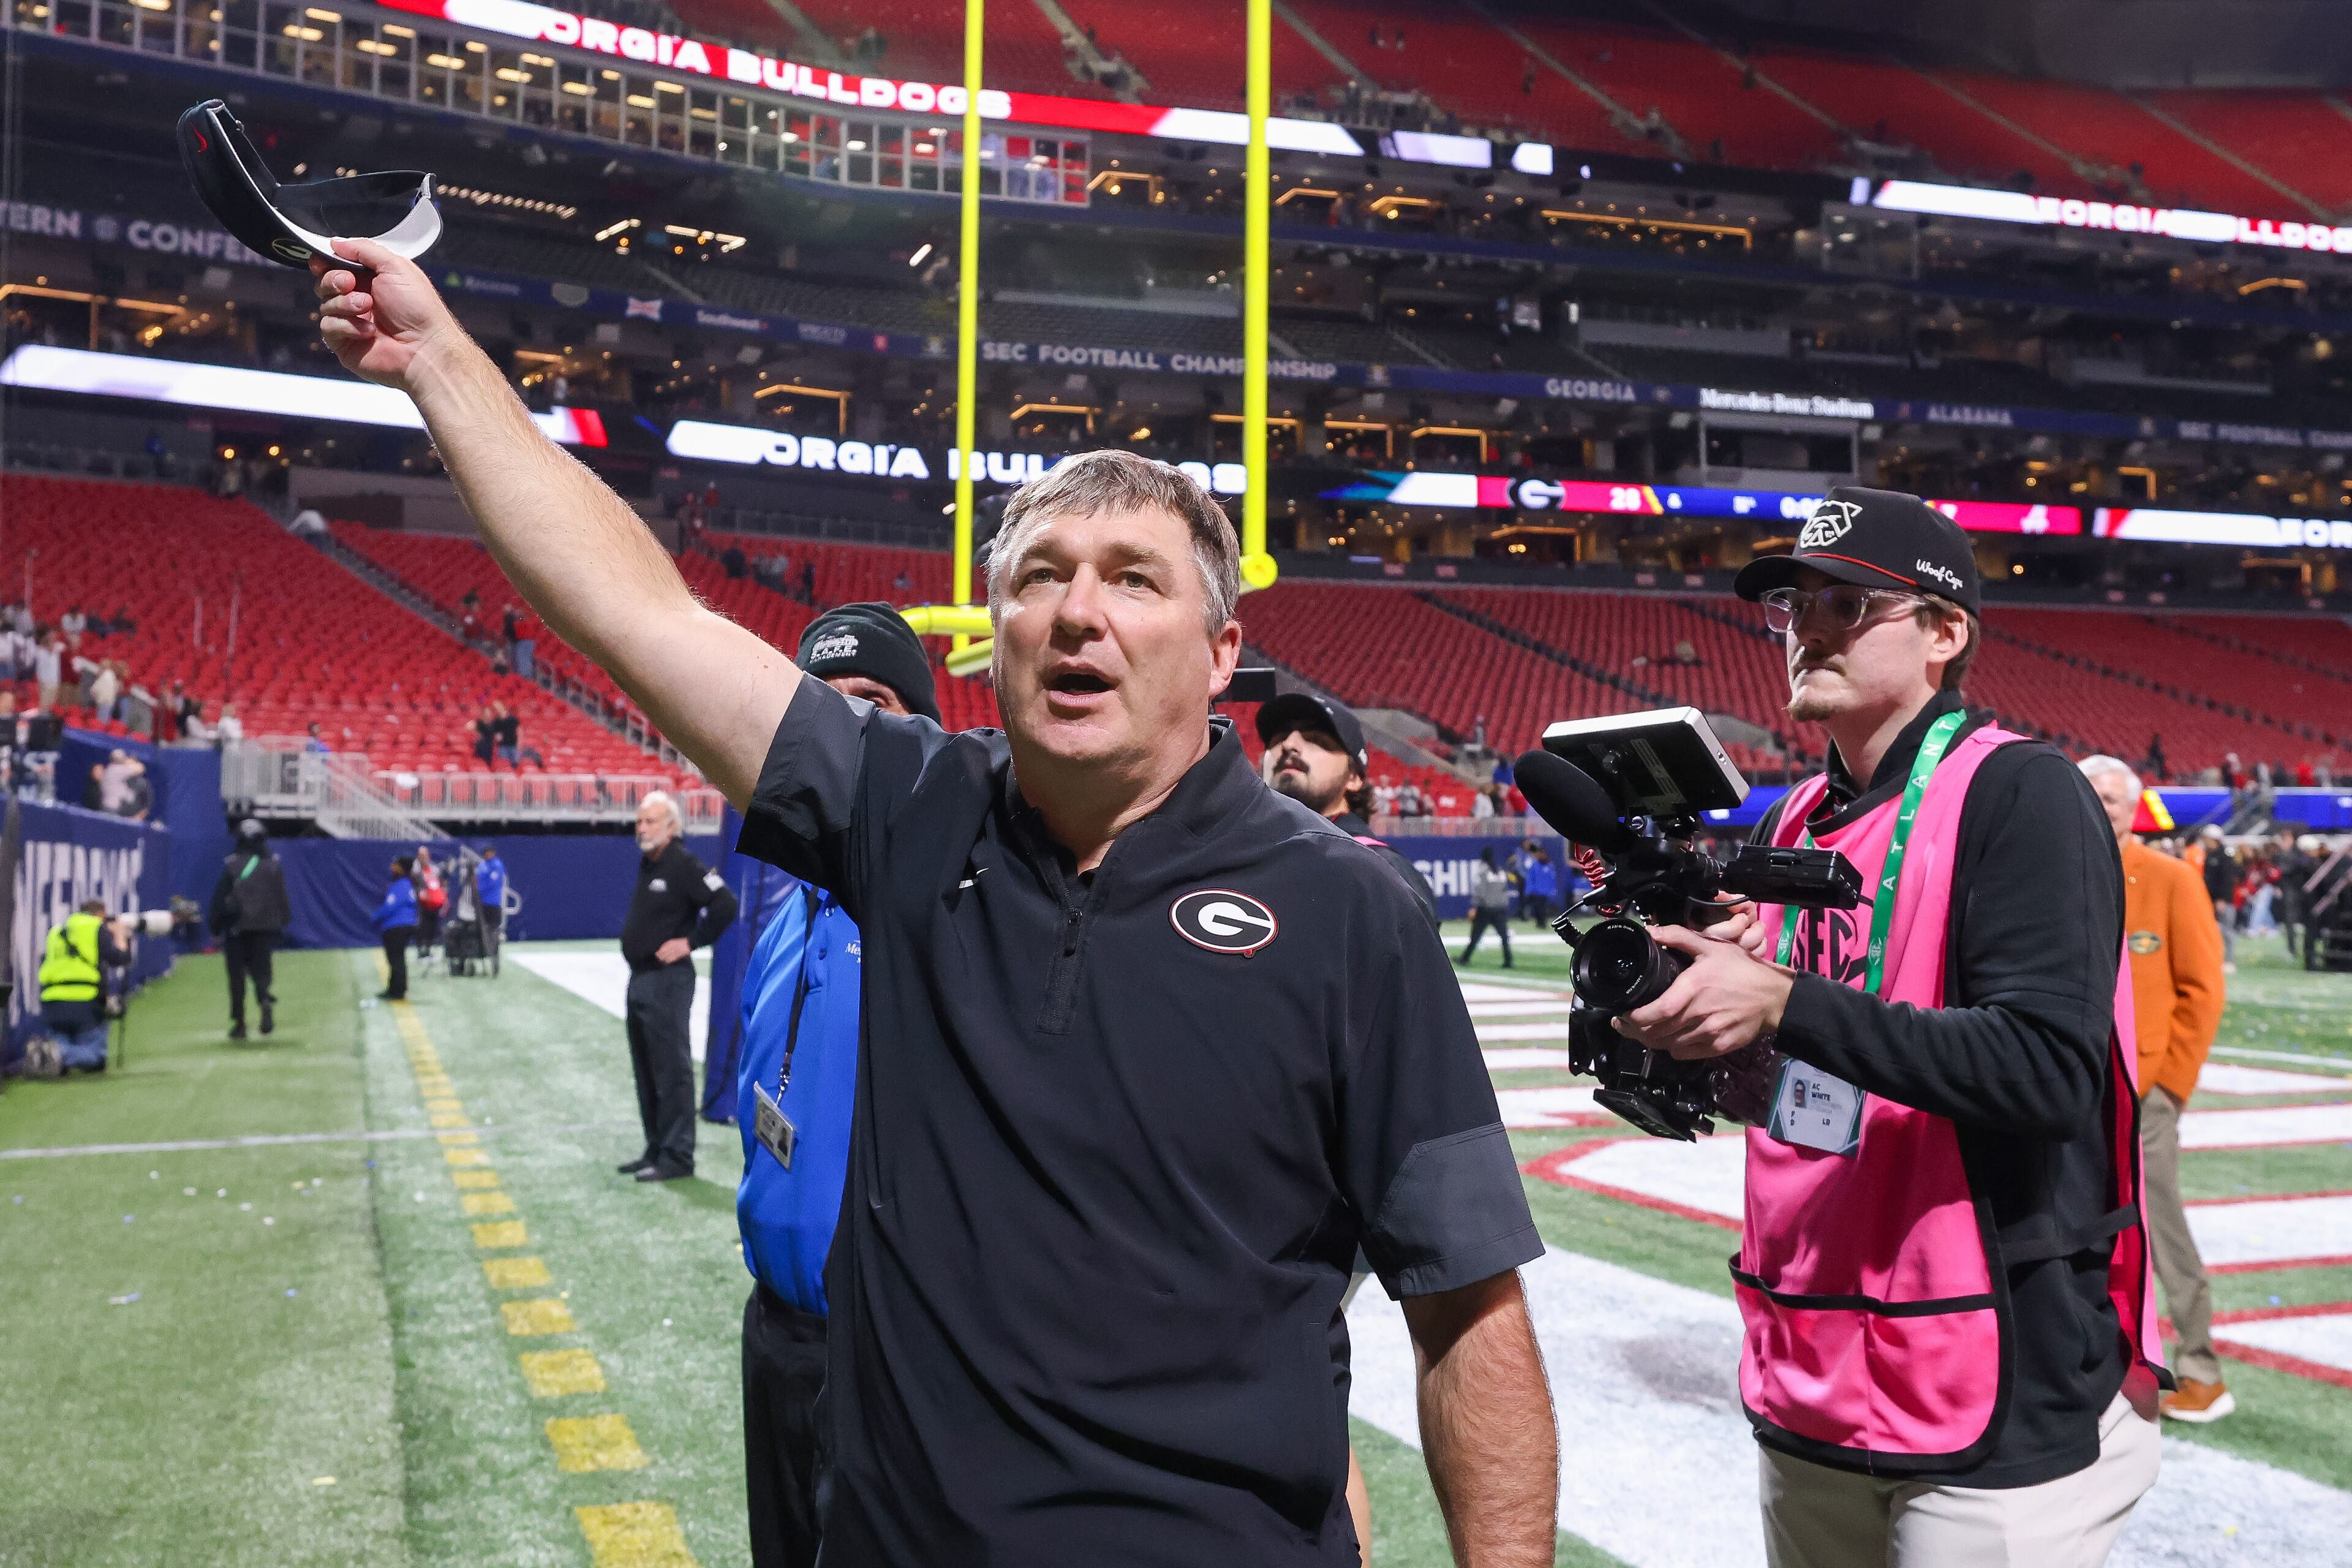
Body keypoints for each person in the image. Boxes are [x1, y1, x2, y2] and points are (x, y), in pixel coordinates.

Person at [315, 239, 1555, 1564]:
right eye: (1039, 577)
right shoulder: (907, 808)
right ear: (998, 631)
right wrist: (438, 360)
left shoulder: (1348, 910)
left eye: (1133, 577)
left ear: (1221, 648)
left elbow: (1467, 1312)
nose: (1079, 611)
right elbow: (640, 613)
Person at [1618, 487, 2161, 1567]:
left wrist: (1784, 1002)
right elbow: (1813, 1078)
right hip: (1809, 1356)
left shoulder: (2021, 793)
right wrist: (1709, 1042)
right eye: (1794, 606)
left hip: (1992, 1379)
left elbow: (2049, 1071)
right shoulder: (1791, 822)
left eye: (1848, 605)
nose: (1806, 627)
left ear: (1946, 633)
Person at [736, 605, 939, 1568]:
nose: (846, 725)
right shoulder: (785, 916)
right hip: (775, 1329)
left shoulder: (941, 908)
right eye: (825, 704)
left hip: (882, 1348)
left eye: (874, 703)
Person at [2081, 756, 2233, 1425]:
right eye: (2091, 796)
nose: (2102, 806)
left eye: (2113, 798)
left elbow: (2203, 990)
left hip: (2143, 1092)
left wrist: (2169, 1085)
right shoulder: (2056, 871)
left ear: (2134, 807)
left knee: (2161, 1223)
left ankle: (2200, 1368)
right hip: (2071, 1086)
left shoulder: (2171, 878)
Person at [620, 790, 738, 1182]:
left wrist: (690, 942)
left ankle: (677, 1157)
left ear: (671, 826)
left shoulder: (683, 863)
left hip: (667, 982)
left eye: (650, 821)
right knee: (647, 1069)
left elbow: (726, 903)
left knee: (671, 1069)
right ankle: (655, 1148)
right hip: (641, 979)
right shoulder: (649, 864)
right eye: (640, 821)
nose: (642, 828)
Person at [1256, 690, 1437, 925]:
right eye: (1278, 738)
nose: (1289, 745)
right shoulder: (1243, 852)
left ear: (1354, 778)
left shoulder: (1382, 870)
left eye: (1316, 740)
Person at [209, 817, 292, 1040]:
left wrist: (215, 926)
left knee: (236, 978)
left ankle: (239, 1023)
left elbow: (220, 898)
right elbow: (281, 898)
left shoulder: (232, 864)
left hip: (237, 929)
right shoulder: (273, 864)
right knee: (262, 971)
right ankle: (264, 998)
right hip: (264, 928)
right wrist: (283, 922)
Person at [40, 897, 124, 1073]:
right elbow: (119, 959)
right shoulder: (96, 928)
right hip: (84, 1000)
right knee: (96, 1058)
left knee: (61, 1040)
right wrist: (120, 935)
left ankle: (53, 1052)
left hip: (52, 1000)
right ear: (100, 913)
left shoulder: (57, 930)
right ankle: (57, 1054)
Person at [1458, 845, 1515, 966]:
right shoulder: (1499, 870)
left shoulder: (1483, 870)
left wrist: (1475, 906)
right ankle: (1508, 960)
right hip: (1500, 908)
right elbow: (1504, 889)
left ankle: (1465, 958)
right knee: (1504, 936)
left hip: (1486, 908)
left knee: (1476, 935)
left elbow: (1480, 891)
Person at [374, 857, 418, 1000]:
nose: (392, 867)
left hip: (396, 926)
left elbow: (390, 907)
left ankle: (397, 991)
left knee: (395, 959)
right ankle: (396, 988)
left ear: (401, 868)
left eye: (395, 865)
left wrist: (375, 918)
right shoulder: (408, 884)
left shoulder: (400, 885)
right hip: (406, 925)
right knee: (398, 958)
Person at [2199, 825, 2240, 972]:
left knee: (2227, 931)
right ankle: (2215, 958)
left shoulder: (2224, 857)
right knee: (2212, 931)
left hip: (2223, 901)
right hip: (2211, 900)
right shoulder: (2211, 855)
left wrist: (2223, 899)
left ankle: (2228, 960)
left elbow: (2228, 880)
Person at [413, 846, 448, 959]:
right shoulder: (415, 869)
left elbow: (440, 883)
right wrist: (421, 894)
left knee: (433, 927)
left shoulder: (433, 868)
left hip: (433, 904)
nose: (424, 858)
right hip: (422, 904)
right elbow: (415, 884)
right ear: (418, 856)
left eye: (426, 855)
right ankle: (421, 951)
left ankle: (428, 949)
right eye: (422, 855)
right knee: (423, 927)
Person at [1518, 840, 1558, 927]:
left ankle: (1542, 923)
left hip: (1545, 892)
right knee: (1537, 908)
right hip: (1537, 892)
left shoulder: (1550, 866)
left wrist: (1553, 890)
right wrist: (1529, 890)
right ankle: (1540, 923)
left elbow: (1552, 879)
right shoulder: (1535, 865)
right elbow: (1530, 879)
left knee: (1543, 908)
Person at [475, 845, 508, 944]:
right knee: (482, 927)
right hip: (482, 902)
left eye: (490, 853)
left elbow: (494, 882)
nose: (488, 855)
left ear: (493, 853)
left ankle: (493, 949)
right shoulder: (481, 865)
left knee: (493, 927)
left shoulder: (497, 865)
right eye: (486, 853)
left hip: (493, 902)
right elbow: (477, 879)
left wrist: (479, 889)